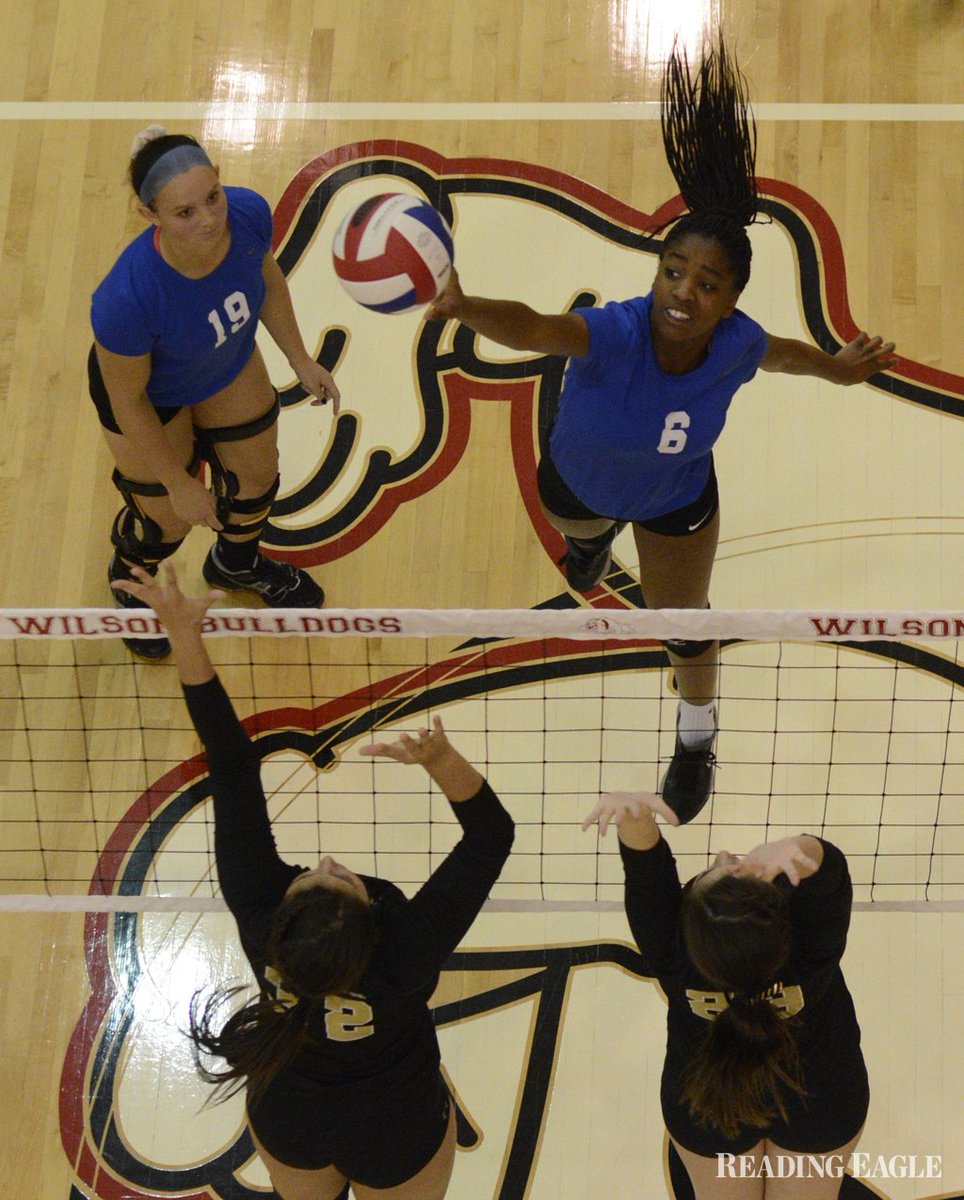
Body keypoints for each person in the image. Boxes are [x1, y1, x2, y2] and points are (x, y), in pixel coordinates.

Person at [426, 39, 899, 824]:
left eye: (706, 283)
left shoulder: (739, 343)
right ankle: (585, 549)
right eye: (672, 271)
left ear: (731, 296)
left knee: (685, 623)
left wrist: (841, 370)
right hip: (578, 479)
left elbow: (785, 357)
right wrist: (467, 308)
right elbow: (538, 326)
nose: (682, 292)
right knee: (579, 532)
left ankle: (695, 733)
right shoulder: (616, 331)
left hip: (677, 499)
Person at [112, 563, 514, 1200]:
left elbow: (231, 768)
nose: (327, 863)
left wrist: (185, 639)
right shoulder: (405, 946)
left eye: (312, 880)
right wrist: (441, 760)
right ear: (371, 923)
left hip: (291, 1117)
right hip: (395, 1124)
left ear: (280, 923)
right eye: (342, 881)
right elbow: (492, 836)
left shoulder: (261, 908)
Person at [91, 125, 340, 659]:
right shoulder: (127, 299)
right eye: (185, 212)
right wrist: (179, 482)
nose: (209, 218)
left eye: (212, 196)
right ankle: (132, 573)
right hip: (150, 397)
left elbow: (265, 276)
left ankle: (236, 563)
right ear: (149, 215)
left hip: (222, 360)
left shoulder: (247, 214)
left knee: (256, 477)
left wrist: (300, 358)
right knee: (168, 517)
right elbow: (127, 401)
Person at [582, 791, 868, 1199]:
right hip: (821, 1094)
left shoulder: (671, 953)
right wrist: (794, 847)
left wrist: (635, 818)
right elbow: (829, 873)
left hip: (708, 1099)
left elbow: (648, 878)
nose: (723, 854)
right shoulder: (811, 947)